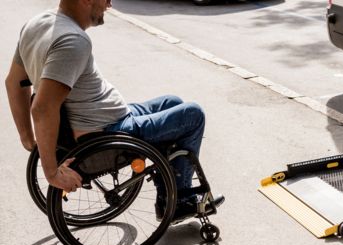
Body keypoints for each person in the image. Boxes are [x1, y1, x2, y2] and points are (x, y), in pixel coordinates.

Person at [5, 0, 223, 222]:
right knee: (193, 115)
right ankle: (177, 202)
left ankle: (170, 187)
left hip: (105, 118)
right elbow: (42, 108)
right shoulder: (72, 41)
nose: (110, 3)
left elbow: (14, 83)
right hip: (107, 131)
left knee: (172, 102)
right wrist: (51, 173)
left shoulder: (37, 23)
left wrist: (28, 140)